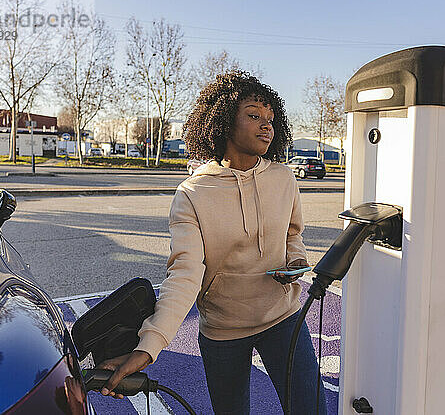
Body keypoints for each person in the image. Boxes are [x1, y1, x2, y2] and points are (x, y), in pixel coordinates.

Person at [97, 71, 327, 414]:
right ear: (223, 123)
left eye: (270, 119)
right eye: (253, 115)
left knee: (312, 410)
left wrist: (295, 262)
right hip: (224, 330)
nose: (267, 126)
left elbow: (293, 233)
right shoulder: (192, 194)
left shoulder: (284, 178)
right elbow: (185, 273)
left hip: (285, 318)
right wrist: (149, 346)